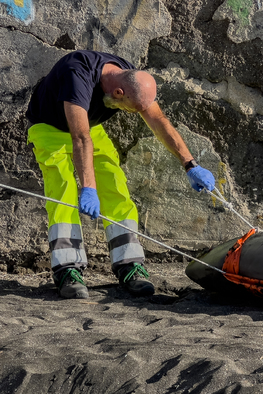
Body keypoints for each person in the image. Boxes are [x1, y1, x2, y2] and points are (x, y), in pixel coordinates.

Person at [25, 50, 216, 299]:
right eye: (131, 109)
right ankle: (67, 270)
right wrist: (89, 189)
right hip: (50, 127)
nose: (132, 113)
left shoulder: (128, 75)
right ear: (118, 93)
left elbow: (158, 119)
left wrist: (190, 164)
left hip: (90, 129)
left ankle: (130, 266)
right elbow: (80, 139)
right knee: (63, 190)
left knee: (115, 184)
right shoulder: (77, 76)